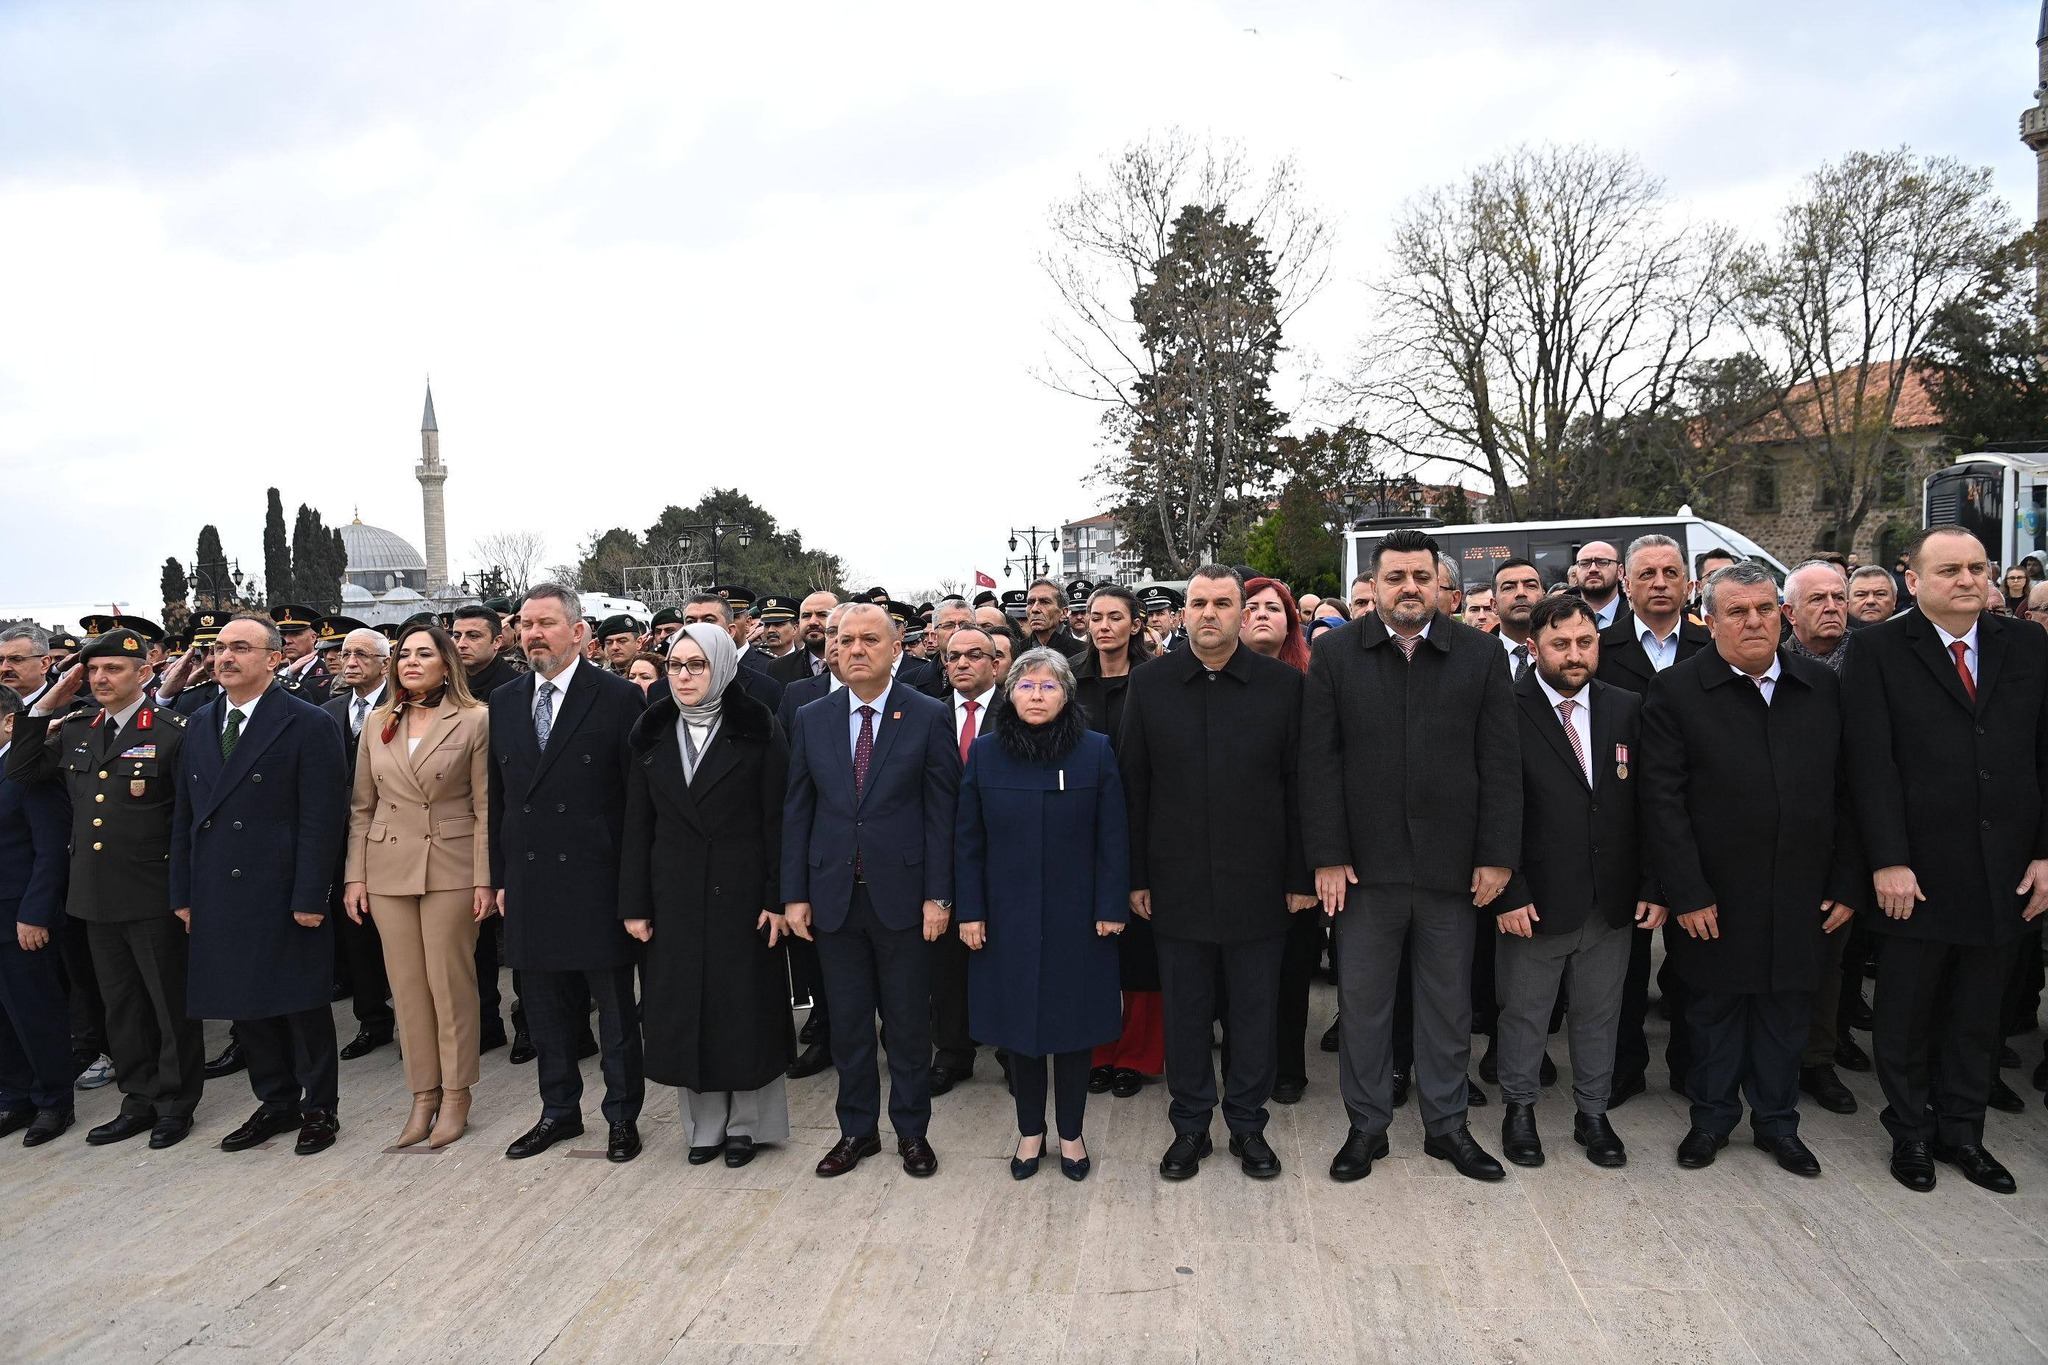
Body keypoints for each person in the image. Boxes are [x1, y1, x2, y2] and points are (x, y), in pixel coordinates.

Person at [1302, 530, 1520, 1184]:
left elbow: (1501, 763)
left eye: (1420, 577)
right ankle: (1366, 1127)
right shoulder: (1337, 653)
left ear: (1440, 584)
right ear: (1376, 583)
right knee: (1365, 1008)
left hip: (1452, 872)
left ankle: (1447, 1126)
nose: (1408, 588)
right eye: (1395, 577)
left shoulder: (1480, 654)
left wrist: (1497, 855)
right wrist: (1329, 854)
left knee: (1449, 1007)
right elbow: (1319, 761)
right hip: (1364, 874)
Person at [1842, 526, 2048, 1195]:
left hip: (2007, 870)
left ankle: (1963, 1131)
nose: (1967, 579)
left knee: (1977, 1014)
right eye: (1951, 569)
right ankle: (1910, 1132)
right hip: (1917, 874)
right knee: (1906, 1013)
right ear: (1916, 579)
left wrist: (2045, 853)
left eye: (1977, 567)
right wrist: (1888, 860)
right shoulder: (1876, 649)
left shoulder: (2027, 644)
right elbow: (1869, 764)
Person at [1641, 562, 1860, 1178]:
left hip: (1803, 891)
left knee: (1787, 1012)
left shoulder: (1820, 686)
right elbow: (1662, 802)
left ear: (1782, 615)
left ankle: (1777, 1124)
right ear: (1708, 622)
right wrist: (1686, 891)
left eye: (1765, 608)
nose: (1754, 621)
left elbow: (1850, 793)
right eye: (1737, 611)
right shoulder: (1677, 692)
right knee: (1712, 1013)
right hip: (1715, 895)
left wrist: (1846, 882)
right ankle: (1710, 1121)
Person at [1122, 566, 1312, 1181]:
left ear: (1239, 610)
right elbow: (1134, 787)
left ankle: (1249, 1127)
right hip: (1175, 885)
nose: (1209, 613)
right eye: (1198, 602)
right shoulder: (1149, 685)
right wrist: (1136, 875)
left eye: (1222, 603)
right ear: (1183, 613)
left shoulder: (1283, 687)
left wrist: (1299, 874)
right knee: (1185, 1013)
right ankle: (1190, 1127)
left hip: (1259, 884)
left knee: (1254, 1013)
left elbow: (1300, 786)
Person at [781, 603, 958, 1179]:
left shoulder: (928, 714)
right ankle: (856, 1132)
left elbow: (942, 813)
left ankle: (911, 1132)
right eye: (845, 640)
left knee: (907, 1027)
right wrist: (795, 894)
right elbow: (798, 811)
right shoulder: (812, 717)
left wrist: (939, 895)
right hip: (833, 899)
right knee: (850, 1027)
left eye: (869, 641)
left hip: (905, 900)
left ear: (895, 647)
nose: (855, 650)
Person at [10, 629, 205, 1149]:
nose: (100, 679)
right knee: (120, 1004)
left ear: (144, 674)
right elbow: (21, 766)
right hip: (94, 894)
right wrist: (52, 695)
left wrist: (185, 892)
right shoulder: (76, 727)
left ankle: (175, 1103)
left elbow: (189, 819)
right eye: (92, 670)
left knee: (167, 1003)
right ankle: (137, 1098)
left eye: (113, 669)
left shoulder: (172, 731)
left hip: (153, 889)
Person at [170, 614, 349, 1156]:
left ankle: (319, 1108)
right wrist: (182, 892)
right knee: (243, 1004)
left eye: (240, 648)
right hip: (218, 892)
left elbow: (323, 819)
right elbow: (185, 817)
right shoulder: (200, 723)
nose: (225, 657)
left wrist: (310, 895)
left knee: (300, 1005)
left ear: (273, 658)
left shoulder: (307, 723)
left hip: (281, 889)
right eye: (220, 648)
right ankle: (274, 1102)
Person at [1493, 597, 1657, 1170]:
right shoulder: (1505, 708)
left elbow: (1649, 803)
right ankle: (1519, 1110)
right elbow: (1495, 805)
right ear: (1534, 647)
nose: (1574, 655)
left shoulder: (1626, 707)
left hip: (1609, 900)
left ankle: (1592, 1114)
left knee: (1600, 1014)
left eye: (1585, 643)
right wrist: (1509, 890)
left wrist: (1652, 884)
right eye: (1560, 644)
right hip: (1534, 901)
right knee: (1524, 1013)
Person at [621, 624, 794, 1167]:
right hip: (673, 894)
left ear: (721, 667)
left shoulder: (758, 728)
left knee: (741, 1010)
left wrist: (777, 895)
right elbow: (637, 825)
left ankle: (747, 1125)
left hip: (742, 895)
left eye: (697, 665)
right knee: (684, 1009)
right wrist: (635, 904)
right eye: (676, 665)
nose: (685, 676)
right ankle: (704, 1125)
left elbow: (778, 820)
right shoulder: (650, 732)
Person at [489, 584, 648, 1163]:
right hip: (530, 881)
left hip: (596, 879)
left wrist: (635, 889)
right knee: (545, 1011)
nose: (534, 633)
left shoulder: (618, 697)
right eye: (526, 623)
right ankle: (558, 1112)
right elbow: (497, 798)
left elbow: (637, 803)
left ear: (578, 632)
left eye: (547, 623)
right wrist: (497, 877)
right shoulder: (504, 703)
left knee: (614, 1012)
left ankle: (622, 1117)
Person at [956, 648, 1127, 1181]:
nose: (1036, 695)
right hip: (1005, 920)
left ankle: (1071, 1135)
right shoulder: (984, 755)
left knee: (1073, 1031)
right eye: (1026, 686)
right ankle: (1031, 1132)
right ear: (1009, 694)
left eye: (1048, 687)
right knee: (1019, 1033)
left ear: (1067, 696)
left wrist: (1110, 906)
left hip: (1078, 920)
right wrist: (971, 912)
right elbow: (968, 842)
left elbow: (1113, 837)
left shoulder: (1094, 751)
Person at [341, 623, 493, 1149]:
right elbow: (362, 806)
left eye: (423, 653)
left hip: (450, 864)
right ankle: (421, 1095)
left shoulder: (474, 720)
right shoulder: (378, 721)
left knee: (449, 986)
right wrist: (355, 875)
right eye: (403, 653)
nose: (410, 661)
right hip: (386, 867)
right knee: (406, 988)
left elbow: (485, 806)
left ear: (446, 663)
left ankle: (456, 1095)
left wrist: (484, 877)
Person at [1598, 533, 1712, 1105]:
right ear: (1626, 582)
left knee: (1695, 963)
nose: (1660, 584)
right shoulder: (1601, 646)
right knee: (1625, 964)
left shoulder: (1713, 643)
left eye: (1671, 573)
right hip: (1623, 826)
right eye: (1647, 574)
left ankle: (1693, 1068)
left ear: (1690, 583)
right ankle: (1624, 1067)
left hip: (1699, 826)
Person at [1776, 560, 1866, 1115]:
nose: (1832, 607)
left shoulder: (1872, 663)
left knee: (1827, 963)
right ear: (1791, 613)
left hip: (1834, 842)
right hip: (1769, 843)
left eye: (1839, 597)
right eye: (1818, 600)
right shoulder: (1770, 666)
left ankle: (1818, 1060)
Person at [1072, 587, 1162, 1099]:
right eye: (1094, 617)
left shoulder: (1154, 679)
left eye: (1114, 617)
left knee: (1141, 950)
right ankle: (1097, 1051)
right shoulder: (1068, 678)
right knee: (1090, 946)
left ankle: (1138, 1054)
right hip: (1079, 830)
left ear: (1135, 623)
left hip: (1142, 824)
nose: (1103, 626)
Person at [1242, 578, 1324, 1106]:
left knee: (1293, 966)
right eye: (1252, 607)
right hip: (1240, 854)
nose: (1263, 615)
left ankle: (1288, 1065)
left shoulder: (1312, 681)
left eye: (1276, 608)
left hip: (1297, 851)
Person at [0, 683, 78, 1146]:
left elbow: (52, 850)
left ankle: (53, 1101)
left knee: (36, 1012)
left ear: (10, 721)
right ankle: (15, 1094)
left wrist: (36, 914)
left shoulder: (29, 770)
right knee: (3, 1018)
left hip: (19, 916)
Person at [927, 626, 1003, 1096]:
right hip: (943, 855)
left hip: (1003, 855)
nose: (961, 663)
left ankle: (1015, 1053)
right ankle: (953, 1052)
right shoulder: (927, 715)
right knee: (947, 965)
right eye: (953, 656)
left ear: (995, 664)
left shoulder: (1017, 711)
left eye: (974, 655)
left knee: (1006, 957)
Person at [321, 628, 396, 1063]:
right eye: (345, 654)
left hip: (394, 834)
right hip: (344, 838)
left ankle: (415, 1019)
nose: (350, 662)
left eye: (362, 655)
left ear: (384, 664)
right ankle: (373, 1019)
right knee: (355, 931)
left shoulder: (405, 706)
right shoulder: (327, 712)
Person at [450, 603, 520, 1058]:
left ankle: (529, 1022)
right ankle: (485, 1020)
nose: (461, 644)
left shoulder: (513, 689)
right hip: (461, 825)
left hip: (507, 816)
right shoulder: (442, 689)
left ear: (497, 641)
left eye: (473, 636)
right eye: (456, 635)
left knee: (515, 931)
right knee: (473, 935)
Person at [683, 595, 783, 711]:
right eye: (690, 621)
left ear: (730, 631)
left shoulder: (766, 687)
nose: (698, 627)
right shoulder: (663, 689)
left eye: (709, 620)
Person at [768, 591, 839, 687]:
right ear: (798, 623)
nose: (812, 622)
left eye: (822, 614)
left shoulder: (853, 665)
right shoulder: (778, 668)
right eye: (806, 616)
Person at [1492, 559, 1545, 683]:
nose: (1521, 593)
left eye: (1531, 586)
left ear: (1544, 598)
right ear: (1494, 605)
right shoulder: (1477, 655)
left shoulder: (1567, 651)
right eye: (1509, 587)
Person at [269, 605, 332, 703]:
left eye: (295, 634)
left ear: (313, 638)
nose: (287, 641)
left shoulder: (328, 672)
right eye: (283, 635)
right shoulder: (275, 671)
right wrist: (287, 674)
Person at [1023, 579, 1087, 659]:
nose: (1034, 609)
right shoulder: (1015, 652)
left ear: (1063, 613)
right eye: (1030, 602)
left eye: (1045, 602)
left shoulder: (1085, 654)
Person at [1574, 541, 1628, 630]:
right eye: (1584, 563)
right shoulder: (1558, 616)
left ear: (1620, 572)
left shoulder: (1638, 617)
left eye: (1603, 562)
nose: (1593, 569)